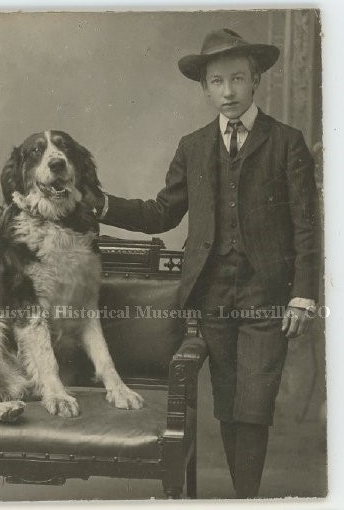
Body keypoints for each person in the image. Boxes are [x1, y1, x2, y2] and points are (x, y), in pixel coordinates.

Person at [93, 29, 320, 498]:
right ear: (205, 88)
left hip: (267, 295)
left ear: (256, 79)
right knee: (227, 402)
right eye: (217, 82)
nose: (229, 92)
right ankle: (244, 500)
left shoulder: (286, 142)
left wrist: (303, 294)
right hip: (212, 295)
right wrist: (103, 205)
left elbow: (306, 227)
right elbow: (162, 212)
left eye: (238, 79)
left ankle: (246, 500)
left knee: (254, 405)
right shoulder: (194, 146)